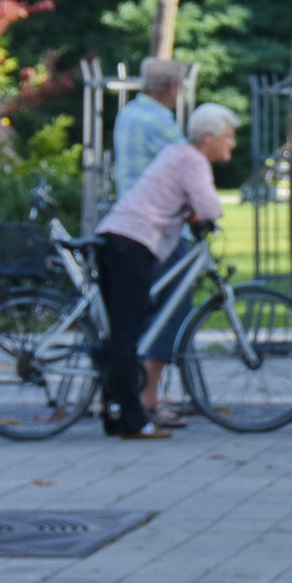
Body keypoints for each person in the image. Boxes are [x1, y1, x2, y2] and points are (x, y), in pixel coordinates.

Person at [95, 103, 237, 440]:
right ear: (208, 137)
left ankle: (113, 411)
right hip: (134, 242)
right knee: (127, 333)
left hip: (117, 236)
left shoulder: (175, 152)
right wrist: (199, 214)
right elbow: (210, 207)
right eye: (229, 137)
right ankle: (134, 422)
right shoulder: (192, 159)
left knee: (121, 332)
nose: (232, 144)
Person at [112, 57, 189, 428]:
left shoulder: (128, 115)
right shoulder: (160, 122)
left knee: (137, 315)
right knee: (169, 312)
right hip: (159, 227)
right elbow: (188, 167)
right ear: (172, 88)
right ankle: (149, 397)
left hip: (129, 223)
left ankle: (127, 392)